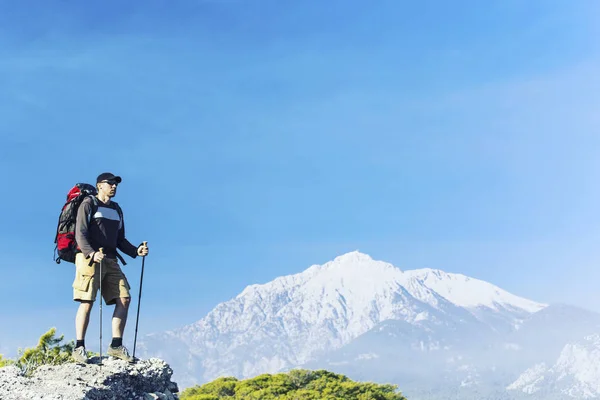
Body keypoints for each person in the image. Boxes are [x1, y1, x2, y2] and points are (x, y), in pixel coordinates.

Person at [71, 172, 149, 363]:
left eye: (116, 184)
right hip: (89, 258)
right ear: (99, 186)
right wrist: (91, 253)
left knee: (124, 298)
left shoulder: (116, 209)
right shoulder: (89, 204)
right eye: (110, 183)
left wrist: (135, 251)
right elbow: (79, 233)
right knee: (87, 301)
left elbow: (120, 239)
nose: (114, 186)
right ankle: (79, 347)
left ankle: (116, 345)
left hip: (110, 259)